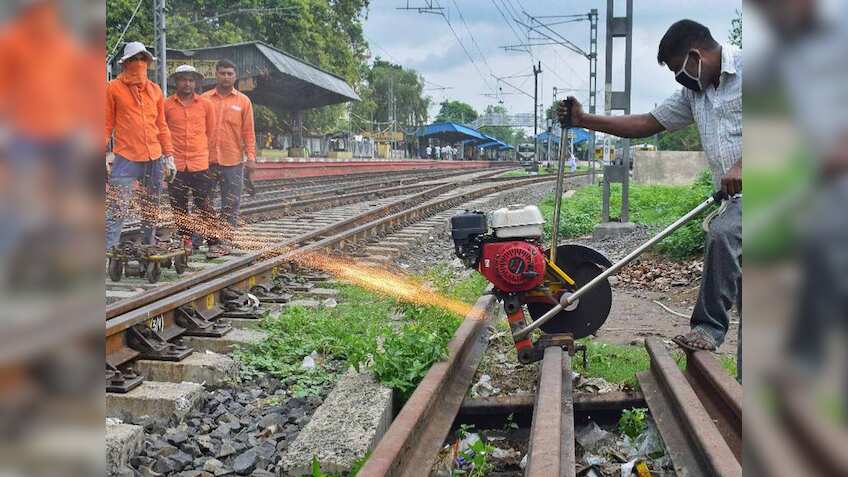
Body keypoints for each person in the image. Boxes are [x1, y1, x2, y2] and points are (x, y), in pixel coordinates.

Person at [558, 19, 742, 368]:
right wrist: (584, 120)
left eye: (677, 70)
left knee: (722, 232)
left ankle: (708, 328)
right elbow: (646, 123)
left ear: (695, 56)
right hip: (734, 198)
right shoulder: (695, 93)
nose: (678, 79)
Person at [105, 41, 176, 251]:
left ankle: (148, 247)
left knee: (151, 208)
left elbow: (161, 125)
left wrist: (169, 156)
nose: (139, 63)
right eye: (134, 59)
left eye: (142, 59)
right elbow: (105, 124)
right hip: (126, 158)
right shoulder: (113, 88)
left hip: (154, 158)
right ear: (125, 63)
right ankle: (108, 252)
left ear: (147, 62)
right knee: (117, 207)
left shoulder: (155, 90)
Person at [202, 59, 256, 258]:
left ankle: (225, 241)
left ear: (235, 76)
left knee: (230, 204)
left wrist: (251, 157)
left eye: (230, 74)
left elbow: (248, 132)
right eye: (222, 73)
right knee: (203, 202)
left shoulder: (243, 102)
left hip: (233, 161)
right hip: (206, 161)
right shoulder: (204, 99)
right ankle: (209, 239)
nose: (226, 77)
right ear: (216, 74)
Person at [164, 64, 216, 254]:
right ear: (176, 82)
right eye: (183, 80)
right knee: (178, 206)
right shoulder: (166, 105)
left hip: (200, 163)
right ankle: (186, 240)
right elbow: (162, 130)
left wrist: (204, 154)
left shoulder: (205, 105)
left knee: (204, 204)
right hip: (175, 166)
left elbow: (210, 132)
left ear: (196, 83)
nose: (187, 83)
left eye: (191, 80)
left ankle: (213, 241)